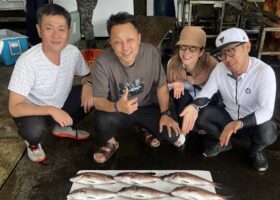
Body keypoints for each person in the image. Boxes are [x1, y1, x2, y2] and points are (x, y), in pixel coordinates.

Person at [91, 12, 184, 164]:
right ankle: (111, 142)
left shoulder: (152, 53)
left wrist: (165, 113)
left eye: (130, 40)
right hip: (119, 110)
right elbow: (98, 101)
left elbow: (161, 86)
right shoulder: (101, 62)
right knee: (102, 118)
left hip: (147, 106)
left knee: (172, 135)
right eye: (118, 42)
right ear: (110, 42)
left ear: (139, 38)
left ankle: (142, 128)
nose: (125, 47)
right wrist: (116, 106)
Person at [180, 27, 277, 172]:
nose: (227, 59)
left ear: (247, 47)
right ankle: (223, 142)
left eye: (231, 51)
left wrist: (240, 123)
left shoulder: (264, 71)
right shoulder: (220, 69)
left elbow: (267, 111)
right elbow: (206, 93)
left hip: (252, 123)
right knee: (201, 115)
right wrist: (193, 107)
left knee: (268, 130)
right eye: (222, 54)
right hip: (229, 117)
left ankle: (256, 150)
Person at [8, 3, 94, 163]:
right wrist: (51, 110)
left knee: (95, 93)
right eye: (49, 28)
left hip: (60, 105)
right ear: (39, 30)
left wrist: (88, 85)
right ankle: (33, 144)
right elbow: (14, 107)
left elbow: (86, 75)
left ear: (69, 31)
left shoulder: (73, 52)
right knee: (34, 130)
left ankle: (61, 127)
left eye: (61, 29)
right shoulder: (27, 61)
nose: (56, 35)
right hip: (33, 112)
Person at [167, 26, 217, 129]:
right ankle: (183, 129)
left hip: (206, 102)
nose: (186, 53)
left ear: (201, 52)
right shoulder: (172, 64)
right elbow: (162, 89)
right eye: (183, 47)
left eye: (193, 48)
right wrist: (174, 84)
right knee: (179, 94)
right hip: (185, 102)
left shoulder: (212, 65)